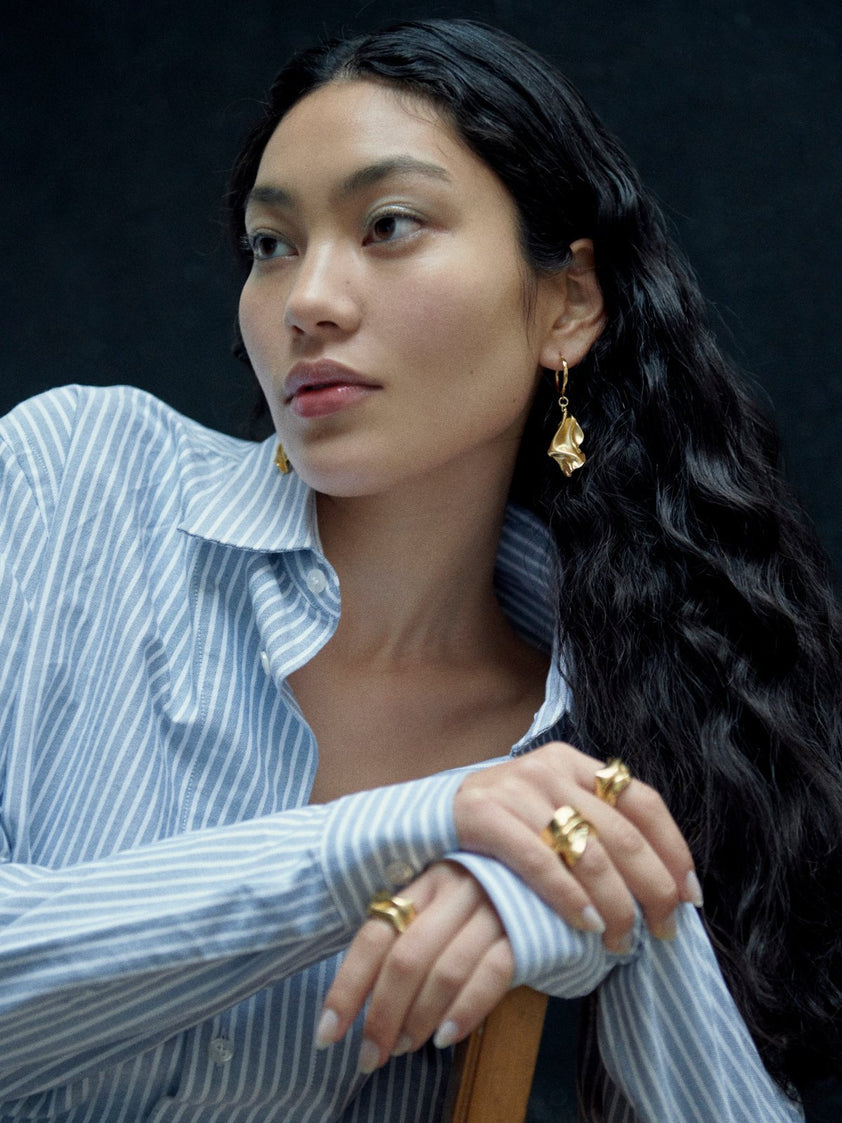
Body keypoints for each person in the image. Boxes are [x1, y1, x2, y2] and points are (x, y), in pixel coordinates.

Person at [0, 16, 839, 1122]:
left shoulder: (592, 731)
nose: (307, 298)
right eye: (270, 244)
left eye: (388, 225)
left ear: (567, 303)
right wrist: (410, 828)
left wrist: (565, 903)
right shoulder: (73, 481)